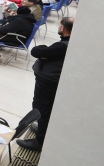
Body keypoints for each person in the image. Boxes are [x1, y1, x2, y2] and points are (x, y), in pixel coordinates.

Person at [17, 17, 74, 152]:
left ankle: (40, 142)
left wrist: (43, 50)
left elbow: (36, 51)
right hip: (52, 81)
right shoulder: (70, 43)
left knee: (42, 109)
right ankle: (43, 130)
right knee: (45, 109)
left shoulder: (62, 46)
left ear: (62, 28)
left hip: (48, 83)